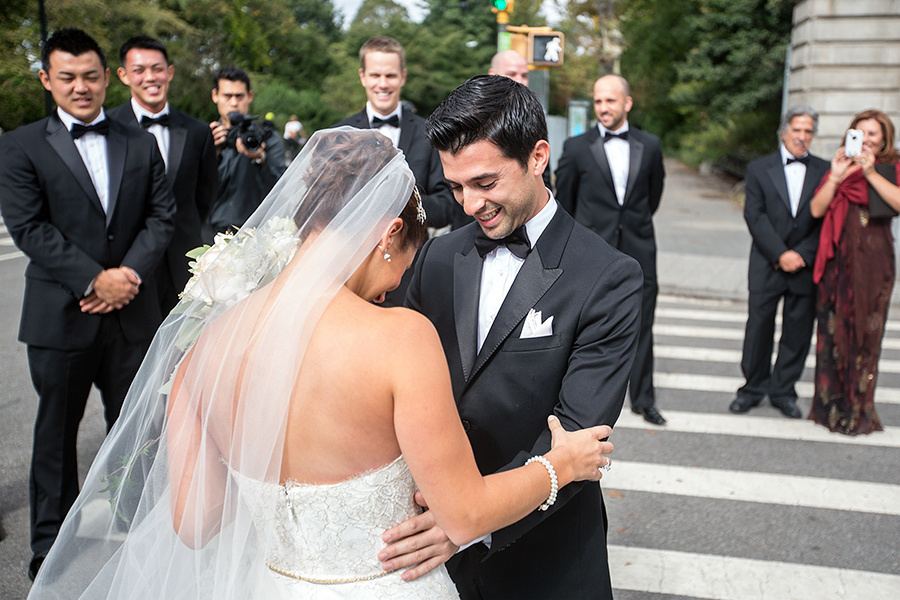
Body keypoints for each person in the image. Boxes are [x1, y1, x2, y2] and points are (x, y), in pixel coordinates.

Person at [25, 127, 614, 599]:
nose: (395, 286)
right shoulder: (400, 338)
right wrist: (561, 465)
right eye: (404, 264)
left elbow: (197, 523)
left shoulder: (207, 345)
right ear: (389, 234)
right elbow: (462, 514)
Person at [380, 75, 642, 599]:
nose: (469, 204)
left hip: (545, 555)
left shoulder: (608, 276)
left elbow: (574, 435)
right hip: (427, 549)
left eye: (485, 182)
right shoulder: (437, 258)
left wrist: (469, 522)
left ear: (538, 157)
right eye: (455, 187)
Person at [0, 28, 174, 581]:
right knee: (56, 433)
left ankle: (144, 532)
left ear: (107, 77)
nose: (81, 87)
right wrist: (95, 280)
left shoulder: (138, 141)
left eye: (91, 76)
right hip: (62, 316)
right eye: (68, 77)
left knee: (141, 427)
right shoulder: (21, 145)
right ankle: (51, 548)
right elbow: (29, 227)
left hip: (133, 311)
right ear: (48, 80)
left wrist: (126, 276)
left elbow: (161, 216)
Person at [555, 74, 667, 425]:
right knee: (581, 323)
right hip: (592, 252)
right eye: (598, 101)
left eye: (610, 101)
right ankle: (573, 398)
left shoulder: (650, 145)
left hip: (639, 248)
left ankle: (644, 399)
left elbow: (653, 196)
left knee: (644, 323)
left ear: (627, 103)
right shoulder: (576, 148)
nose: (603, 108)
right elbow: (566, 204)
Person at [335, 36, 461, 306]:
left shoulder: (430, 135)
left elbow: (447, 204)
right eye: (376, 75)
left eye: (390, 75)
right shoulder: (340, 135)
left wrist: (401, 206)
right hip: (351, 278)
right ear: (362, 76)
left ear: (403, 77)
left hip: (414, 277)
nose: (383, 83)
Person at [730, 107, 830, 418]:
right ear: (784, 132)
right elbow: (754, 215)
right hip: (767, 262)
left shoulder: (826, 170)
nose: (802, 137)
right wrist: (780, 254)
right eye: (797, 130)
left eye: (808, 131)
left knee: (798, 332)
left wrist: (802, 254)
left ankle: (783, 391)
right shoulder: (759, 169)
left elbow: (826, 220)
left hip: (806, 263)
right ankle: (752, 389)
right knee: (759, 328)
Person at [109, 35, 218, 314]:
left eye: (157, 68)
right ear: (123, 75)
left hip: (184, 263)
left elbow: (204, 197)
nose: (150, 77)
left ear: (169, 72)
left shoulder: (198, 132)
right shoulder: (107, 129)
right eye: (139, 70)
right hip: (126, 266)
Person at [808, 109, 900, 435]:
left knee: (865, 335)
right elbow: (817, 209)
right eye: (860, 133)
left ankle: (859, 410)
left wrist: (872, 173)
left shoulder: (892, 167)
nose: (866, 140)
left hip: (874, 266)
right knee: (833, 332)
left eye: (873, 134)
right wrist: (835, 175)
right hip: (837, 263)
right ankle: (829, 409)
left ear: (884, 138)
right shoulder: (841, 167)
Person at [205, 65, 285, 242]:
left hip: (255, 235)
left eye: (239, 96)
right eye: (227, 96)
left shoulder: (267, 137)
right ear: (215, 96)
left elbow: (282, 190)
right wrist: (210, 153)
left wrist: (260, 159)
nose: (233, 103)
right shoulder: (205, 137)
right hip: (209, 235)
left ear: (249, 97)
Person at [487, 49, 552, 190]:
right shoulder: (474, 117)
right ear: (492, 75)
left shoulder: (534, 118)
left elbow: (543, 177)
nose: (519, 81)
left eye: (524, 75)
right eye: (511, 74)